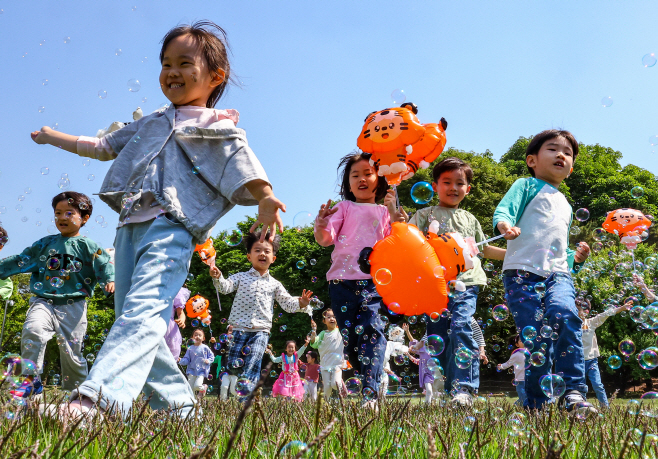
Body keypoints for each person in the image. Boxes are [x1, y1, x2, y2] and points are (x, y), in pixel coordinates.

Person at [30, 21, 286, 420]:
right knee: (132, 318)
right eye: (166, 62)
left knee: (144, 312)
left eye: (185, 63)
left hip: (173, 227)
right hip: (130, 226)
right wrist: (52, 136)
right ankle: (180, 409)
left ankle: (99, 398)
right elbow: (102, 146)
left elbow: (240, 161)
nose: (172, 71)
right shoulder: (152, 121)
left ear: (215, 77)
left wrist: (265, 196)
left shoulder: (216, 126)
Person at [493, 129, 593, 413]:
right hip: (521, 273)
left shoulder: (566, 204)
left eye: (568, 153)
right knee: (536, 337)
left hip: (558, 274)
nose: (561, 155)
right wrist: (504, 226)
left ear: (571, 169)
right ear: (532, 160)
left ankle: (573, 391)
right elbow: (504, 211)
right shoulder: (525, 185)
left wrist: (578, 258)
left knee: (566, 314)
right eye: (552, 149)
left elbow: (559, 251)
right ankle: (536, 403)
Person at [408, 157, 505, 406]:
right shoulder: (423, 214)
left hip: (466, 283)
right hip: (434, 286)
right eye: (446, 182)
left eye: (459, 183)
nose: (453, 187)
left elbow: (482, 249)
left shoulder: (470, 219)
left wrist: (515, 254)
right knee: (439, 339)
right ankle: (450, 389)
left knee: (461, 326)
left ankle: (464, 389)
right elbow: (408, 245)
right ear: (434, 185)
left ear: (468, 189)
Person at [0, 192, 115, 398]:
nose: (62, 217)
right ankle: (31, 380)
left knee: (72, 353)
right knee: (33, 330)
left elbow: (105, 264)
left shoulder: (88, 246)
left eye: (69, 213)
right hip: (43, 301)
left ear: (85, 218)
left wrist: (109, 280)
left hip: (74, 304)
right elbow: (21, 259)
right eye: (58, 213)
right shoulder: (45, 244)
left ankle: (78, 396)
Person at [314, 151, 405, 404]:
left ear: (380, 179)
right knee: (352, 341)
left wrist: (397, 219)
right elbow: (325, 240)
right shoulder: (344, 207)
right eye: (355, 175)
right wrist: (321, 224)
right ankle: (365, 374)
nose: (362, 179)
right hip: (341, 282)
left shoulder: (386, 211)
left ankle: (370, 394)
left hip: (374, 281)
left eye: (368, 173)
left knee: (373, 331)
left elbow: (397, 245)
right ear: (348, 183)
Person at [210, 230, 313, 397]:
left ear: (273, 259)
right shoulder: (241, 277)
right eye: (257, 250)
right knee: (233, 365)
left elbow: (287, 303)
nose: (262, 254)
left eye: (267, 251)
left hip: (261, 330)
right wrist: (218, 277)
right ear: (249, 256)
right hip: (238, 328)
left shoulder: (275, 284)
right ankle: (240, 385)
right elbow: (225, 287)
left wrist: (301, 303)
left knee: (253, 361)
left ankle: (247, 398)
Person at [580, 299, 632, 408]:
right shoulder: (571, 326)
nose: (576, 311)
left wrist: (622, 308)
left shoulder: (591, 322)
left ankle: (605, 409)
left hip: (591, 360)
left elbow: (606, 313)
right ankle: (582, 408)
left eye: (579, 309)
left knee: (598, 385)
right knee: (581, 387)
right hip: (578, 362)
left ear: (587, 311)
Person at [310, 310, 346, 400]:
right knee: (327, 387)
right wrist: (314, 332)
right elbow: (314, 344)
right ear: (324, 321)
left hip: (337, 364)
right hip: (325, 364)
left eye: (334, 317)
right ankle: (326, 405)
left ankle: (342, 386)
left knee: (335, 384)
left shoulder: (340, 331)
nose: (332, 319)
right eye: (329, 317)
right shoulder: (323, 333)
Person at [266, 337, 310, 402]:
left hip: (295, 377)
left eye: (292, 347)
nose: (291, 349)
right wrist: (270, 353)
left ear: (295, 349)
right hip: (285, 377)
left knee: (295, 391)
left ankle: (295, 404)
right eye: (289, 347)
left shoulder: (296, 356)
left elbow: (302, 350)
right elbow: (275, 360)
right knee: (284, 391)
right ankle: (285, 405)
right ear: (286, 349)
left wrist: (306, 343)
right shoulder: (283, 357)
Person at [178, 329, 214, 399]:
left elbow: (212, 356)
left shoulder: (205, 347)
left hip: (201, 371)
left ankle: (204, 387)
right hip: (191, 370)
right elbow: (187, 360)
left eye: (200, 335)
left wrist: (208, 360)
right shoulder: (190, 348)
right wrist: (180, 360)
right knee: (190, 389)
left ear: (203, 338)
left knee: (197, 386)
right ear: (192, 338)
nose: (197, 336)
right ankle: (193, 403)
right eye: (195, 335)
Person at [497, 335, 527, 406]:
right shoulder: (516, 355)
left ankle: (517, 405)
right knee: (523, 399)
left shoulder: (531, 354)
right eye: (521, 341)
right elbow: (508, 364)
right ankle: (515, 405)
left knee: (528, 398)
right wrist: (501, 366)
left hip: (530, 380)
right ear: (517, 344)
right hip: (520, 381)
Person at [380, 325, 408, 398]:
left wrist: (396, 377)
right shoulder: (388, 344)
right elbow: (400, 348)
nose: (402, 337)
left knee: (384, 387)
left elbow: (400, 348)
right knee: (380, 388)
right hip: (378, 370)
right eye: (396, 333)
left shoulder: (390, 345)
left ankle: (381, 404)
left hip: (382, 371)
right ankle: (377, 404)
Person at [165, 285, 190, 360]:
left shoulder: (175, 291)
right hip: (153, 321)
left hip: (168, 326)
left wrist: (182, 320)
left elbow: (180, 313)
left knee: (170, 352)